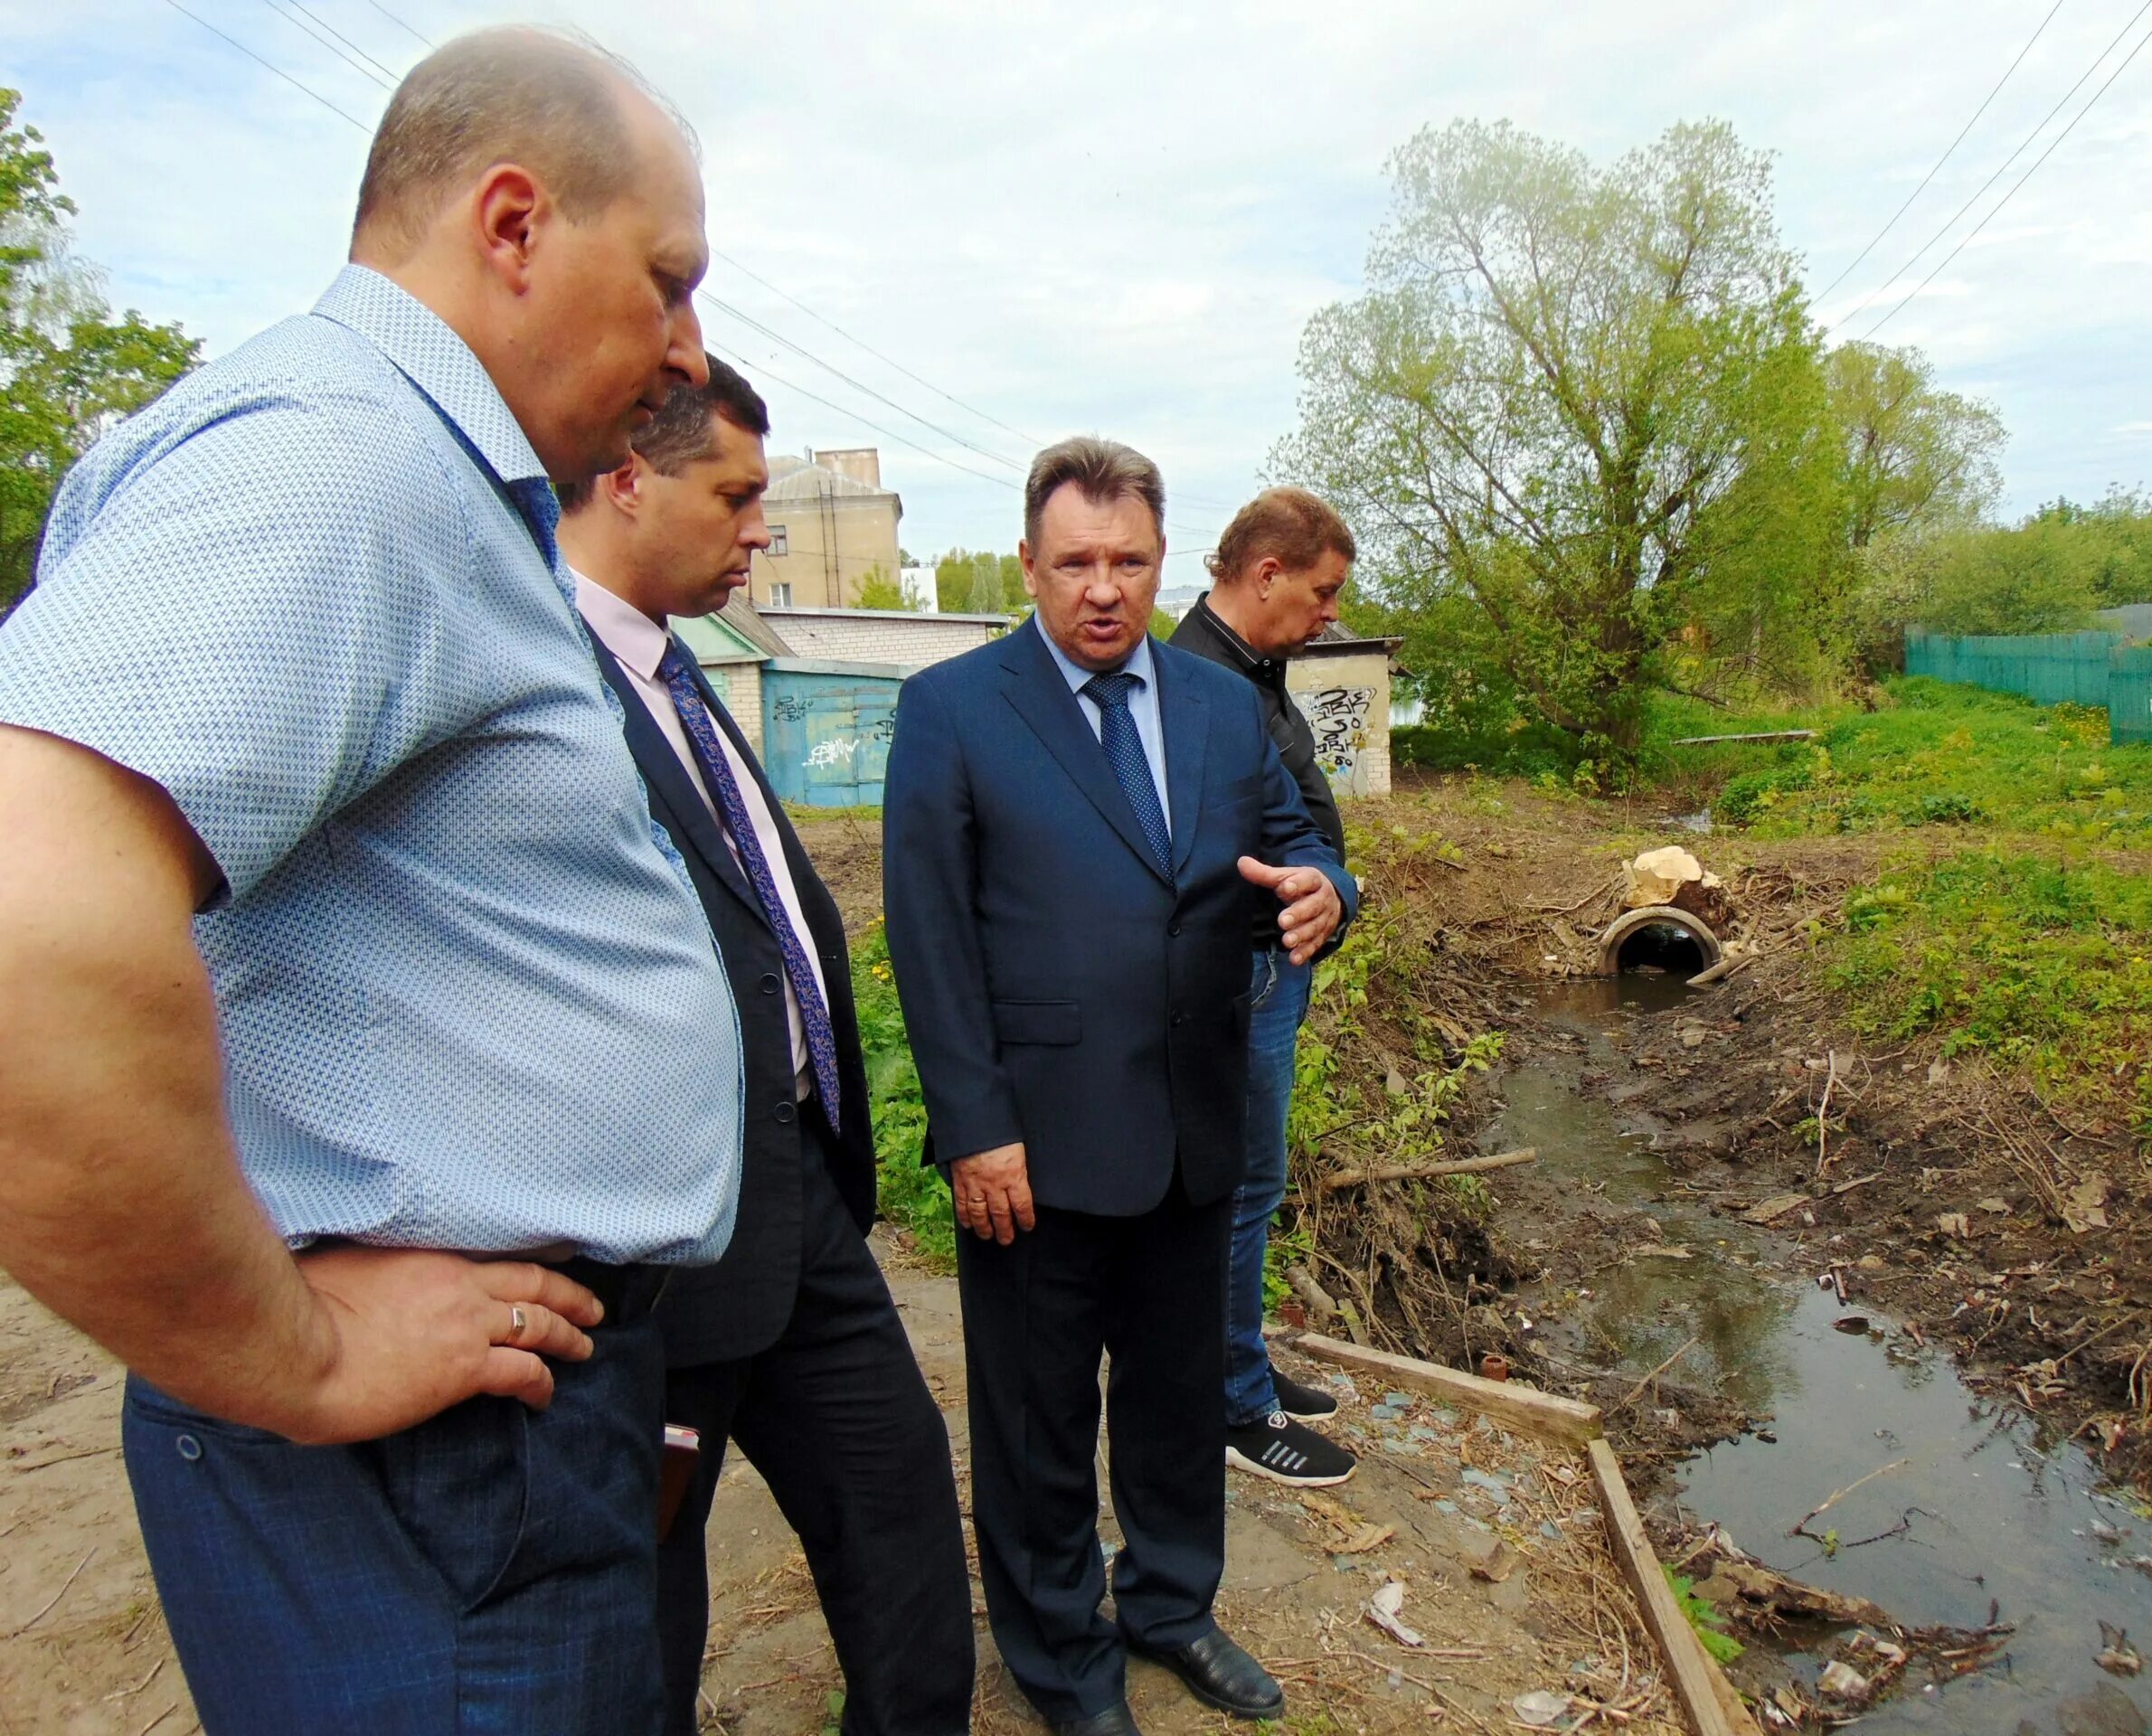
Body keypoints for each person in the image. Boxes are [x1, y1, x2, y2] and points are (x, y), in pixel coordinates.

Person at [0, 31, 740, 1734]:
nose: (683, 347)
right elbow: (34, 928)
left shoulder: (416, 482)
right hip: (428, 1471)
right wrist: (288, 1354)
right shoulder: (348, 461)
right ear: (511, 225)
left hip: (485, 1449)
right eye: (668, 278)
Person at [884, 439, 1356, 1736]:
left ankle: (1170, 1608)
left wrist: (1330, 889)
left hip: (1193, 1130)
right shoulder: (954, 711)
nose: (1104, 588)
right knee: (1037, 1428)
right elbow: (928, 938)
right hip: (1032, 1150)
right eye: (1077, 562)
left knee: (1168, 1400)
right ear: (1031, 565)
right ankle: (1063, 1666)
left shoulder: (1216, 707)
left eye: (1129, 561)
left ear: (1163, 562)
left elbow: (1302, 840)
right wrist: (975, 1127)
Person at [556, 355, 974, 1736]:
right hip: (645, 1258)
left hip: (798, 1203)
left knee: (902, 1509)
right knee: (642, 1596)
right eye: (736, 496)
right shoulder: (534, 684)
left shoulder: (684, 674)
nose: (758, 530)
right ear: (627, 473)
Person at [1167, 487, 1360, 1488]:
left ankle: (1242, 1367)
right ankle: (1235, 1405)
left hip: (1268, 965)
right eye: (1322, 591)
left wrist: (1335, 887)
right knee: (1239, 1195)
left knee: (1253, 1188)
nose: (1330, 613)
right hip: (1238, 973)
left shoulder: (1255, 671)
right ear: (1266, 573)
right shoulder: (1199, 683)